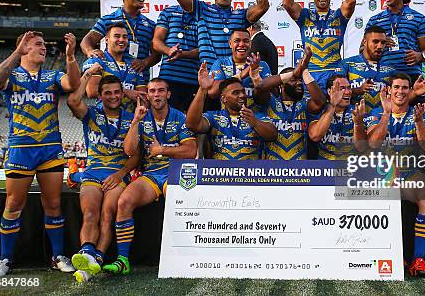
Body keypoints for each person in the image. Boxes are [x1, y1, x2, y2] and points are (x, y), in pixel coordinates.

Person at [0, 31, 80, 277]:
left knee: (53, 204)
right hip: (21, 149)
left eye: (44, 44)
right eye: (37, 44)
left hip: (50, 149)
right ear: (24, 47)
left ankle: (57, 255)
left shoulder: (52, 75)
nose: (43, 47)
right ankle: (5, 259)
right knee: (14, 204)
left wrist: (70, 56)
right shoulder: (12, 75)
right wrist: (17, 53)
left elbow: (73, 85)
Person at [103, 78, 197, 275]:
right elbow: (129, 151)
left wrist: (161, 149)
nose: (156, 95)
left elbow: (190, 151)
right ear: (147, 95)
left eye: (161, 91)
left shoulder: (180, 117)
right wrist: (135, 121)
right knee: (124, 202)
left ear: (168, 94)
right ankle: (122, 260)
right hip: (152, 174)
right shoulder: (141, 118)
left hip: (176, 172)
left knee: (179, 201)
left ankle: (188, 259)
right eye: (152, 91)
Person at [67, 72, 140, 283]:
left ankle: (95, 258)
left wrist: (120, 174)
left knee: (108, 214)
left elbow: (136, 156)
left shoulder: (132, 118)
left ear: (123, 94)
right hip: (92, 173)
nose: (113, 96)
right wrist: (88, 74)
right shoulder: (91, 113)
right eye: (107, 93)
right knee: (90, 213)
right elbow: (73, 100)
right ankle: (89, 254)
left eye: (117, 92)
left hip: (117, 175)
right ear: (100, 95)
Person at [361, 73, 425, 277]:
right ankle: (394, 255)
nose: (400, 91)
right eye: (396, 87)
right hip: (382, 174)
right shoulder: (376, 114)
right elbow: (373, 144)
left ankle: (418, 259)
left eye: (405, 87)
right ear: (389, 90)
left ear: (410, 91)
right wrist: (386, 115)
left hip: (411, 173)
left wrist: (420, 123)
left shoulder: (419, 113)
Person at [282, 0, 356, 90]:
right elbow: (287, 3)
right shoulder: (305, 16)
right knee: (313, 110)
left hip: (334, 73)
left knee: (336, 109)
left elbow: (351, 1)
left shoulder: (338, 16)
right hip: (311, 73)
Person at [186, 65, 278, 159]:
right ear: (223, 98)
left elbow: (273, 135)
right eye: (236, 93)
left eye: (243, 92)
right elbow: (192, 125)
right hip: (219, 172)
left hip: (250, 172)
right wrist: (202, 89)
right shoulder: (214, 117)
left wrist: (255, 122)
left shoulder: (256, 116)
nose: (242, 95)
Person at [255, 47, 326, 159]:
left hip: (299, 170)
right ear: (281, 85)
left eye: (300, 80)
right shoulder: (271, 102)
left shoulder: (304, 104)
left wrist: (305, 71)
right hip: (272, 171)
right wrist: (294, 73)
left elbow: (320, 102)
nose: (299, 83)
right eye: (293, 80)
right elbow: (260, 88)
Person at [80, 0, 159, 77]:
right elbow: (87, 40)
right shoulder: (108, 20)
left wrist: (145, 62)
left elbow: (157, 54)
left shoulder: (150, 24)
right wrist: (89, 51)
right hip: (111, 80)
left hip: (139, 81)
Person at [340, 26, 425, 114]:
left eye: (383, 42)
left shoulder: (391, 69)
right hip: (352, 120)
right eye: (375, 42)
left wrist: (415, 93)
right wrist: (357, 90)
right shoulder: (347, 64)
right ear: (364, 42)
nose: (380, 46)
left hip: (381, 121)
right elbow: (334, 94)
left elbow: (399, 101)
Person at [153, 0, 204, 112]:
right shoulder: (168, 12)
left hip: (194, 80)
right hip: (169, 78)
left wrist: (183, 54)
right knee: (167, 119)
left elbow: (207, 48)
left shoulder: (208, 15)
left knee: (191, 124)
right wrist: (169, 51)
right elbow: (156, 41)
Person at [365, 0, 425, 84]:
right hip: (383, 75)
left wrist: (420, 56)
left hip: (411, 74)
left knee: (417, 101)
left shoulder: (419, 18)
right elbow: (362, 50)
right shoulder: (374, 20)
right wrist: (378, 41)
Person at [82, 23, 147, 112]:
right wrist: (126, 92)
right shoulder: (97, 61)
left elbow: (143, 97)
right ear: (107, 40)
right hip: (104, 119)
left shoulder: (134, 65)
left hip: (129, 120)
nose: (121, 40)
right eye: (117, 36)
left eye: (124, 37)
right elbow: (92, 91)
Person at [208, 29, 272, 108]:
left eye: (246, 41)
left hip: (255, 117)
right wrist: (240, 75)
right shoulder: (220, 64)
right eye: (237, 41)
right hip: (228, 118)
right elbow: (213, 93)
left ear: (250, 44)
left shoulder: (262, 65)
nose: (241, 44)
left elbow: (264, 101)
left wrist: (256, 78)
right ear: (230, 44)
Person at [308, 75, 357, 159]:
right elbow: (315, 136)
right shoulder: (320, 110)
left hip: (351, 167)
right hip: (325, 168)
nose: (347, 92)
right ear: (329, 91)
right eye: (342, 88)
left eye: (349, 88)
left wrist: (358, 123)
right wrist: (332, 105)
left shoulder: (357, 111)